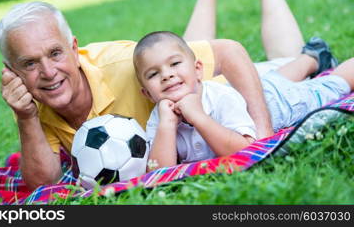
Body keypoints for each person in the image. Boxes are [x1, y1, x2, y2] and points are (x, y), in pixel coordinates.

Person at [0, 0, 304, 189]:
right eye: (29, 63)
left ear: (75, 49)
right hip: (181, 92)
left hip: (217, 101)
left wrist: (262, 138)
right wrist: (25, 118)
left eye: (55, 54)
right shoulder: (31, 99)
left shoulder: (121, 65)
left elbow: (230, 52)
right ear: (12, 71)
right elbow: (44, 184)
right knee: (173, 59)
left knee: (286, 65)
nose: (48, 72)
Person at [133, 31, 352, 170]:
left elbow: (244, 151)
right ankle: (313, 56)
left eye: (175, 64)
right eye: (153, 74)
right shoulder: (159, 118)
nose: (166, 75)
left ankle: (319, 62)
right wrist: (168, 124)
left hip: (277, 105)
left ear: (198, 70)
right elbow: (158, 171)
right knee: (274, 80)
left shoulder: (221, 99)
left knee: (331, 85)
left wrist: (198, 117)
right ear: (147, 94)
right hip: (259, 90)